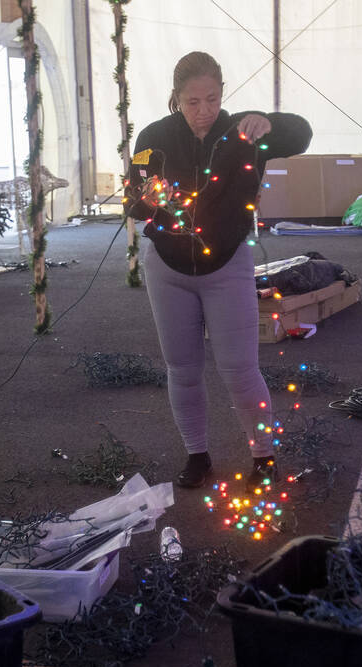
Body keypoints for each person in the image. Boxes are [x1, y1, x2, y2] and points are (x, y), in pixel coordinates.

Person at [126, 51, 312, 490]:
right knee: (182, 367)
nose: (204, 111)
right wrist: (147, 202)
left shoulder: (243, 132)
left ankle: (263, 457)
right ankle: (197, 455)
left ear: (223, 92)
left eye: (212, 98)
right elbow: (132, 202)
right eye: (193, 102)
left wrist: (268, 121)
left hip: (227, 264)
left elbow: (302, 134)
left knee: (240, 368)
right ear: (176, 98)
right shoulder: (153, 137)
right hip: (167, 267)